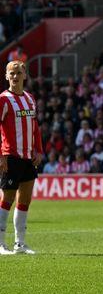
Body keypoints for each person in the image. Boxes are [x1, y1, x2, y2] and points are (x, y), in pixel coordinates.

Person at [0, 61, 43, 255]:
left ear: (25, 75)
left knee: (25, 198)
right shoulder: (3, 99)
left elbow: (35, 128)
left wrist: (39, 150)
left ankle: (20, 243)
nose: (15, 76)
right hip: (11, 156)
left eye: (18, 73)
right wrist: (1, 155)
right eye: (11, 73)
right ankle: (1, 244)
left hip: (28, 157)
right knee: (7, 197)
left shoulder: (30, 99)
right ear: (6, 76)